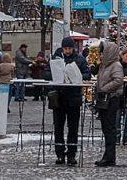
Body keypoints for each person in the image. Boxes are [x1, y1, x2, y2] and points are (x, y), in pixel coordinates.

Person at [50, 37, 91, 165]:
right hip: (59, 98)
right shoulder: (55, 58)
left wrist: (75, 76)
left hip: (73, 98)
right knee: (58, 128)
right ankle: (60, 154)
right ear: (62, 48)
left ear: (73, 48)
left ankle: (72, 154)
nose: (67, 51)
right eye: (65, 48)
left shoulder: (80, 59)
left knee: (73, 128)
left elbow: (87, 75)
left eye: (69, 48)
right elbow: (46, 74)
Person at [95, 40, 125, 167]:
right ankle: (108, 156)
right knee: (106, 128)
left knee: (109, 128)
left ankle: (109, 157)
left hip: (111, 99)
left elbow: (118, 80)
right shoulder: (104, 65)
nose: (101, 55)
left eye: (102, 52)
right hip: (104, 99)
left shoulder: (116, 65)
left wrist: (104, 88)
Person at [118, 47, 127, 145]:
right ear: (122, 56)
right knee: (117, 118)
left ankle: (125, 137)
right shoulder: (118, 66)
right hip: (119, 95)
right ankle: (117, 137)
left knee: (126, 119)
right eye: (126, 56)